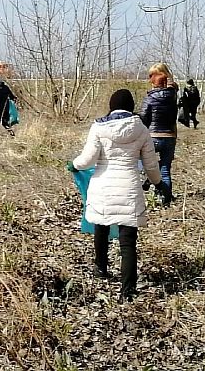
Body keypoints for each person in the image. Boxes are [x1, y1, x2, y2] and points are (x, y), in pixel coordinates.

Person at [68, 89, 169, 301]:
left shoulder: (99, 127)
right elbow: (151, 165)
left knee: (101, 228)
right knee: (128, 242)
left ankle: (101, 268)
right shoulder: (141, 129)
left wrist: (74, 165)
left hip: (103, 186)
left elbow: (87, 160)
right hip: (129, 187)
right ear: (131, 106)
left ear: (111, 105)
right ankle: (128, 291)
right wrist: (159, 183)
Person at [139, 63, 177, 205]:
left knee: (140, 159)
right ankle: (166, 201)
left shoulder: (150, 98)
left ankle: (149, 178)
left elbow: (143, 118)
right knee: (165, 169)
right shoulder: (173, 95)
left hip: (153, 136)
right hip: (170, 137)